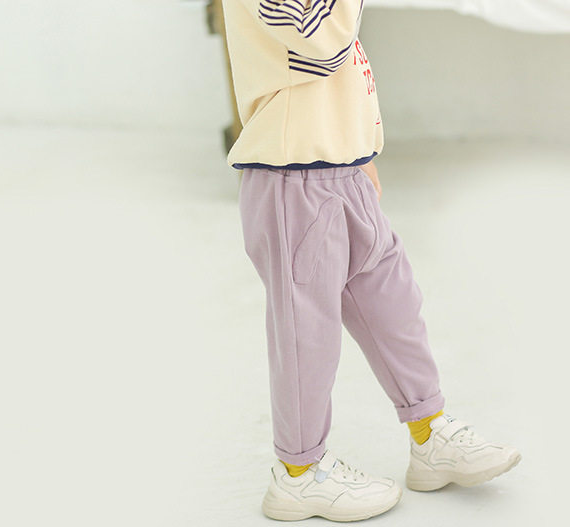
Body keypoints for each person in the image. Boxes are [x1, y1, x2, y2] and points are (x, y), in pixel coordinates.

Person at [222, 1, 521, 521]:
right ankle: (299, 473)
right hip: (292, 174)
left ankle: (430, 432)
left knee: (394, 303)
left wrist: (361, 147)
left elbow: (340, 64)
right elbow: (319, 41)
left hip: (341, 165)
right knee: (306, 333)